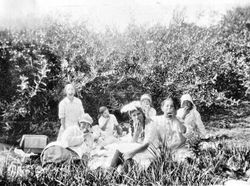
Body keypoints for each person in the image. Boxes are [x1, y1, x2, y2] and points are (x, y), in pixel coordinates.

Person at [116, 96, 192, 168]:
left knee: (186, 163)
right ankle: (114, 170)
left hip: (178, 150)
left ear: (175, 109)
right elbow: (144, 122)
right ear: (162, 108)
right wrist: (137, 123)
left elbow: (187, 133)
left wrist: (175, 118)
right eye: (167, 106)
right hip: (161, 151)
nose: (169, 108)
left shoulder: (179, 120)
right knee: (124, 153)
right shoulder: (155, 120)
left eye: (171, 106)